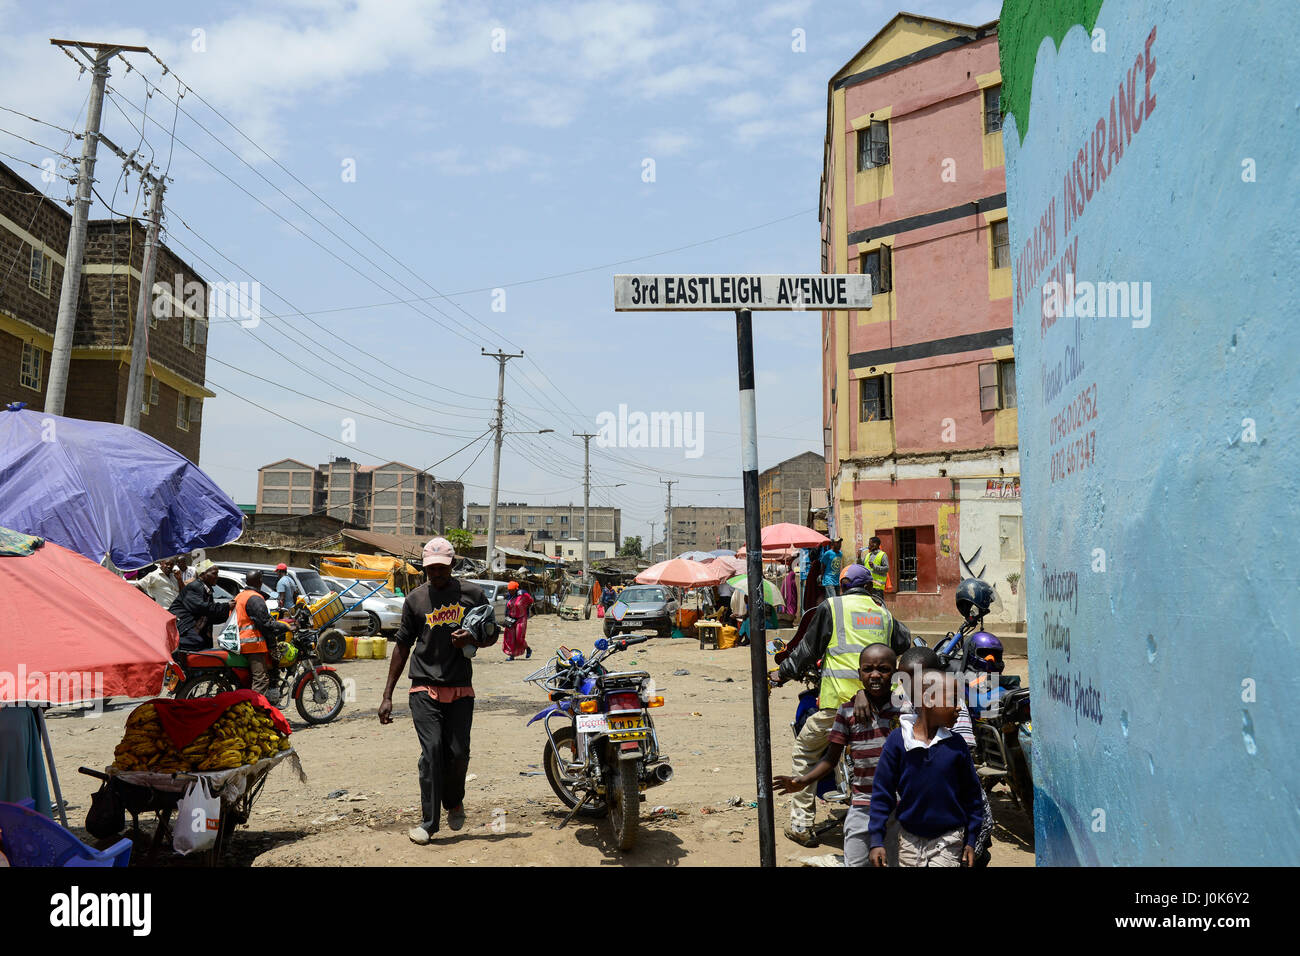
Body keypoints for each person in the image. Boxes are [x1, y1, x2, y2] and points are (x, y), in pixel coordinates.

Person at [770, 563, 913, 846]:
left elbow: (807, 650)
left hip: (840, 702)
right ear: (870, 586)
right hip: (883, 702)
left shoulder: (832, 607)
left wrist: (781, 674)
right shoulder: (883, 612)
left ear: (843, 584)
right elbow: (903, 641)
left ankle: (800, 824)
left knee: (806, 749)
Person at [379, 537, 498, 845]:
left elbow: (491, 635)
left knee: (458, 753)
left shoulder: (472, 594)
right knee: (432, 753)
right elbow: (402, 645)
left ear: (453, 566)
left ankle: (455, 801)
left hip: (460, 686)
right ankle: (428, 823)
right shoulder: (415, 600)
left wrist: (470, 639)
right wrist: (387, 695)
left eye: (441, 569)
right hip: (423, 685)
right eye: (430, 569)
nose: (435, 574)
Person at [858, 645, 995, 865]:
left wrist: (972, 835)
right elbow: (882, 791)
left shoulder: (953, 726)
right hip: (911, 836)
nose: (911, 687)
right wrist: (860, 694)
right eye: (905, 681)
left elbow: (969, 790)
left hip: (951, 827)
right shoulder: (902, 726)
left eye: (917, 680)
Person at [773, 644, 901, 866]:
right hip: (862, 805)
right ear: (859, 673)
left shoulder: (904, 710)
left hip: (898, 807)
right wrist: (802, 781)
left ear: (895, 672)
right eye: (868, 669)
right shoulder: (847, 711)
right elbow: (830, 759)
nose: (875, 675)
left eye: (884, 669)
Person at [231, 570, 292, 698]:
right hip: (252, 644)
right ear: (260, 581)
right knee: (261, 679)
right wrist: (285, 626)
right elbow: (266, 624)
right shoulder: (255, 598)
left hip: (238, 642)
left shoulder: (240, 596)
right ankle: (256, 711)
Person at [169, 559, 232, 651]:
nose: (217, 577)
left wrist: (229, 614)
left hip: (197, 632)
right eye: (214, 573)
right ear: (202, 575)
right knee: (196, 642)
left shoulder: (207, 590)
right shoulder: (194, 587)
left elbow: (211, 615)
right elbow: (200, 607)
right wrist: (226, 606)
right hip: (183, 628)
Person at [503, 581, 535, 660]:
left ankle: (528, 649)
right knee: (510, 638)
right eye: (509, 590)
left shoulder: (523, 594)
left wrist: (526, 608)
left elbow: (531, 601)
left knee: (519, 638)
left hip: (521, 618)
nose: (510, 592)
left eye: (512, 590)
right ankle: (511, 655)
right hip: (511, 619)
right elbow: (507, 607)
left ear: (516, 589)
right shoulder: (509, 596)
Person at [863, 536, 889, 603]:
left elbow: (886, 568)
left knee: (878, 606)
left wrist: (874, 566)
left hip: (877, 587)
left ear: (875, 544)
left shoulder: (882, 555)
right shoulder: (868, 555)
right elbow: (862, 566)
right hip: (868, 586)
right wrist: (859, 557)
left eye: (870, 544)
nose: (868, 546)